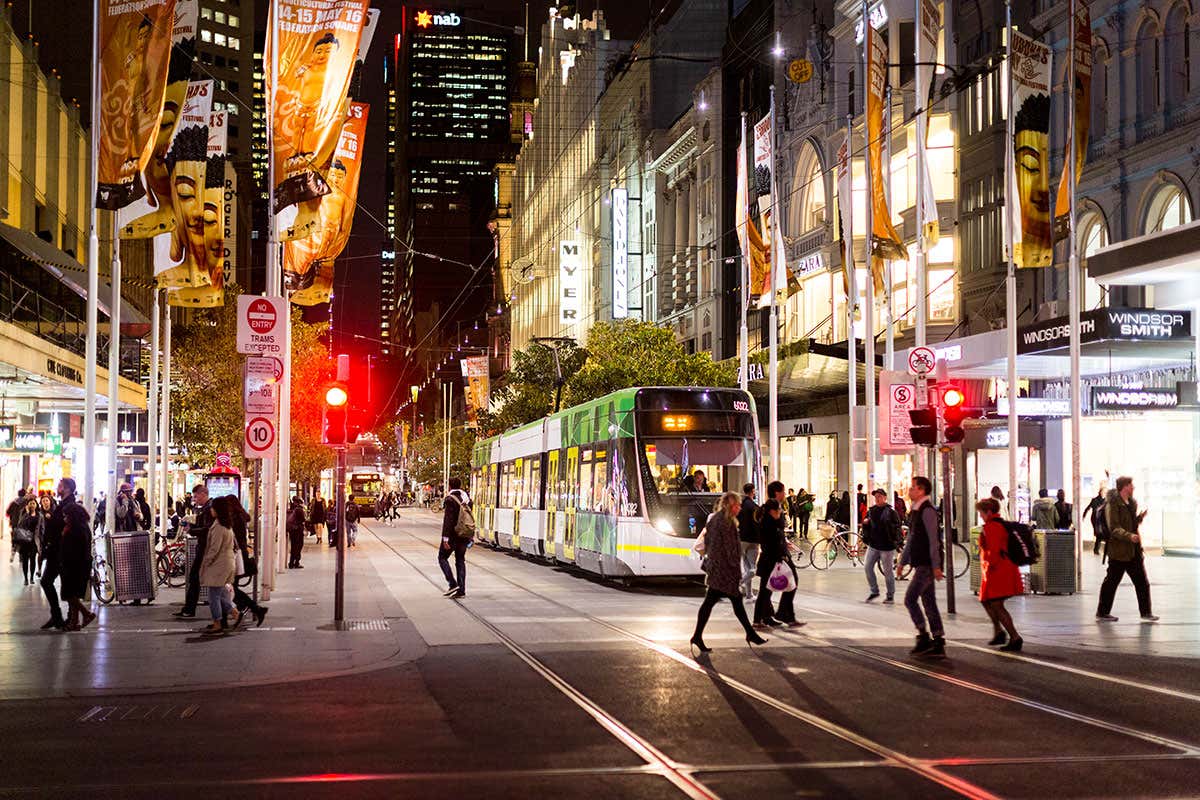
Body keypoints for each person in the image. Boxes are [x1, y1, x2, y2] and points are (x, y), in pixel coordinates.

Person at [690, 492, 767, 653]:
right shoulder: (725, 523)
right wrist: (735, 571)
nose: (739, 508)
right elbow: (729, 550)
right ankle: (750, 634)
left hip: (718, 570)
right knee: (729, 603)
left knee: (715, 603)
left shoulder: (717, 520)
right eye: (737, 505)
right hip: (724, 572)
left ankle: (698, 636)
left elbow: (712, 545)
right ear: (730, 506)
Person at [1096, 476, 1157, 622]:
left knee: (1142, 582)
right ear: (1124, 487)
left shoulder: (1131, 503)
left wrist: (1139, 519)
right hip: (1119, 551)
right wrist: (1129, 536)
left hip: (1133, 550)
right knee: (1111, 581)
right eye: (1131, 485)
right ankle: (1102, 612)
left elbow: (1131, 524)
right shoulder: (1113, 504)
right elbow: (1114, 528)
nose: (1133, 487)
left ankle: (1146, 612)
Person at [898, 476, 946, 658]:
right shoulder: (916, 510)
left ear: (922, 490)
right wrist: (902, 561)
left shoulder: (928, 511)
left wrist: (936, 566)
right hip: (921, 564)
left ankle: (924, 636)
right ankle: (937, 640)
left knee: (910, 599)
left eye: (913, 488)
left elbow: (934, 541)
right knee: (928, 601)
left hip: (926, 564)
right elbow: (911, 538)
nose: (910, 490)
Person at [976, 498, 1023, 651]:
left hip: (998, 571)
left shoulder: (992, 527)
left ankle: (1015, 637)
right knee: (986, 601)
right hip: (998, 569)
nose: (981, 516)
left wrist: (989, 567)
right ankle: (998, 632)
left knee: (996, 604)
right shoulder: (997, 525)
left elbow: (994, 551)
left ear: (988, 512)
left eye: (982, 513)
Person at [219, 495, 268, 628]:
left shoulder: (235, 519)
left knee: (228, 589)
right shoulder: (240, 517)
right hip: (240, 555)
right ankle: (249, 609)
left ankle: (251, 609)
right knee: (230, 588)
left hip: (236, 556)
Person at [57, 479, 95, 631]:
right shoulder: (81, 527)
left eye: (67, 516)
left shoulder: (75, 530)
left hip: (74, 566)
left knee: (68, 594)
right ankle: (74, 622)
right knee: (72, 593)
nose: (65, 518)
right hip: (79, 565)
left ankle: (86, 614)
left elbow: (72, 549)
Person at [174, 484, 211, 619]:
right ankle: (189, 609)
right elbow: (203, 527)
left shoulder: (208, 509)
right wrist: (191, 527)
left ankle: (189, 609)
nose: (194, 500)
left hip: (205, 549)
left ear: (203, 494)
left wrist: (192, 530)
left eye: (196, 496)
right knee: (195, 578)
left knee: (196, 578)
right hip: (204, 548)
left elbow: (207, 530)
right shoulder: (205, 509)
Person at [199, 500, 237, 634]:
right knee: (220, 594)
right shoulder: (226, 525)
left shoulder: (219, 527)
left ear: (218, 510)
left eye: (212, 508)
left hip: (219, 564)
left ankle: (218, 623)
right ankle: (234, 612)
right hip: (226, 562)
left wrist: (206, 562)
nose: (211, 510)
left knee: (213, 596)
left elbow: (214, 548)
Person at [39, 484, 70, 630]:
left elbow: (64, 526)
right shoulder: (63, 504)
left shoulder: (68, 505)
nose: (58, 486)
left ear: (67, 488)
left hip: (60, 551)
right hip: (55, 551)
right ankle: (59, 617)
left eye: (61, 485)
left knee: (49, 581)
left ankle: (63, 618)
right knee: (49, 582)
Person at [863, 488, 901, 603]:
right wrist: (866, 523)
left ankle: (890, 595)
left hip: (887, 546)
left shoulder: (891, 512)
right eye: (876, 497)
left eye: (879, 496)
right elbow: (867, 525)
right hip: (873, 544)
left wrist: (897, 542)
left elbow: (897, 527)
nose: (877, 498)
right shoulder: (871, 511)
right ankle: (874, 591)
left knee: (888, 571)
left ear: (885, 498)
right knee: (868, 567)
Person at [752, 499, 786, 628]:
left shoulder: (769, 521)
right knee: (764, 592)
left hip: (769, 561)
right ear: (772, 511)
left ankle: (766, 617)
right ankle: (757, 619)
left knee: (767, 591)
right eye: (779, 510)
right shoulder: (769, 524)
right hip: (769, 561)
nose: (781, 512)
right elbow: (774, 543)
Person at [439, 477, 471, 598]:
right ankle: (461, 590)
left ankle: (452, 583)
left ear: (450, 487)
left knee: (442, 557)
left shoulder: (450, 500)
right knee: (460, 561)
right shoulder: (467, 499)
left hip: (452, 536)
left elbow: (448, 520)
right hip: (464, 535)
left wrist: (445, 538)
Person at [736, 483, 760, 600]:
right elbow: (757, 523)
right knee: (752, 568)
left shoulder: (740, 505)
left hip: (741, 539)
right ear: (752, 491)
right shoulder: (754, 507)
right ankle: (740, 582)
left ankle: (749, 594)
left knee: (746, 566)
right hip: (753, 539)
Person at [13, 497, 39, 585]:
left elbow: (41, 529)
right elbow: (20, 524)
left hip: (33, 542)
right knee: (25, 561)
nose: (32, 505)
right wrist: (27, 514)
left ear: (36, 505)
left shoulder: (39, 515)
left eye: (33, 503)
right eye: (30, 503)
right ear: (27, 505)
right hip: (24, 540)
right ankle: (25, 578)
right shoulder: (24, 513)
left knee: (32, 560)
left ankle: (31, 577)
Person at [36, 494, 54, 578]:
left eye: (47, 500)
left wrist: (51, 518)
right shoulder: (39, 512)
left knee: (50, 556)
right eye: (43, 501)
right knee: (40, 554)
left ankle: (47, 571)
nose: (45, 502)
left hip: (52, 537)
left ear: (50, 501)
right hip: (42, 537)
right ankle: (39, 570)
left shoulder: (54, 511)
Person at [286, 496, 306, 568]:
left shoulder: (291, 509)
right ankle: (296, 562)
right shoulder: (299, 509)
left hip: (292, 530)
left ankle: (291, 563)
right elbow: (303, 519)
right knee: (299, 546)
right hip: (298, 530)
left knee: (293, 546)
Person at [1086, 486, 1107, 554]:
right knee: (1099, 534)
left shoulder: (1106, 500)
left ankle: (1097, 549)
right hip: (1096, 520)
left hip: (1102, 520)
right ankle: (1096, 549)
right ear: (1100, 492)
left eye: (1105, 492)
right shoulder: (1095, 500)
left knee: (1100, 534)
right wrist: (1084, 515)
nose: (1104, 493)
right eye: (1103, 492)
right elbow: (1088, 508)